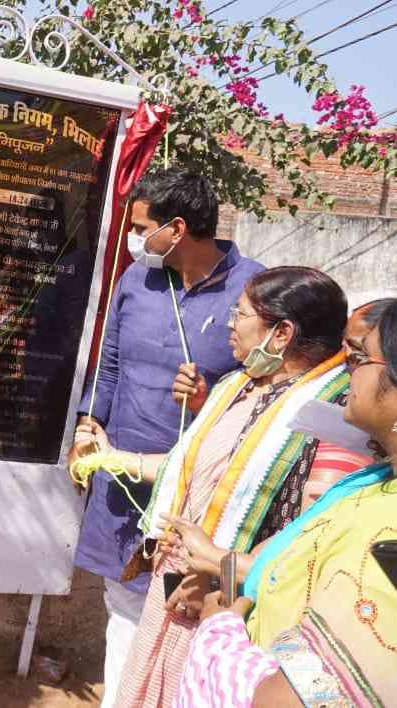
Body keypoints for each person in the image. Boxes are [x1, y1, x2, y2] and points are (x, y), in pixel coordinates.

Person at [73, 266, 351, 707]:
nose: (229, 325)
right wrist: (111, 458)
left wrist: (216, 574)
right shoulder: (237, 387)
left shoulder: (326, 419)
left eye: (240, 314)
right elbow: (186, 472)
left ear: (281, 334)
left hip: (229, 608)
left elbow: (304, 547)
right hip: (178, 587)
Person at [69, 168, 264, 708]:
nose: (134, 240)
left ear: (176, 229)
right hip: (120, 477)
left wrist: (208, 399)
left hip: (194, 498)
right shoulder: (137, 280)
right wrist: (88, 424)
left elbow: (265, 394)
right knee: (121, 607)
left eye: (140, 228)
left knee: (178, 615)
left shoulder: (255, 291)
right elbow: (109, 364)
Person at [174, 301, 397, 707]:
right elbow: (288, 558)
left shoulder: (385, 531)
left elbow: (305, 698)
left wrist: (219, 634)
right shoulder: (373, 485)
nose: (349, 369)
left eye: (361, 356)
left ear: (282, 333)